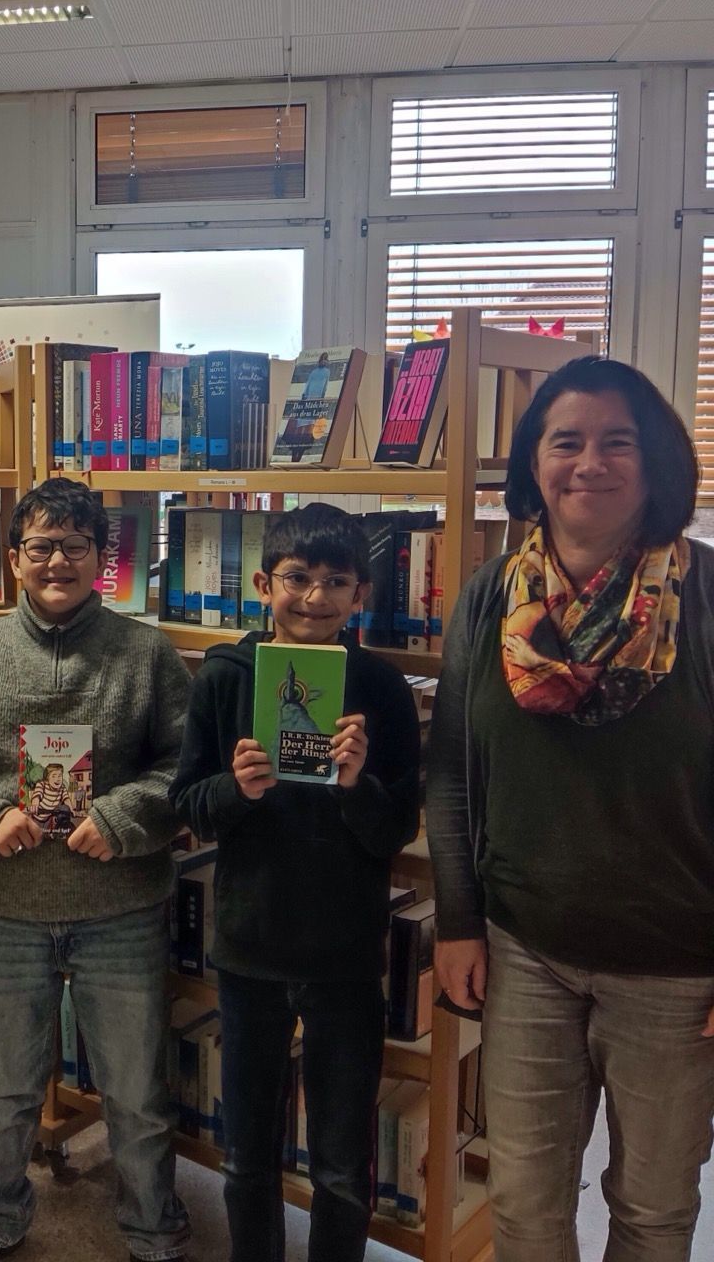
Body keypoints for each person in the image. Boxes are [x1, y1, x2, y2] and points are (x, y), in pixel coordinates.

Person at [427, 355, 714, 1262]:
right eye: (567, 442)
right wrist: (458, 922)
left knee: (654, 1209)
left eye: (617, 441)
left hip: (678, 966)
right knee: (522, 1203)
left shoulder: (708, 597)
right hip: (525, 950)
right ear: (533, 462)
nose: (590, 462)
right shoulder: (489, 598)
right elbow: (451, 775)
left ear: (656, 461)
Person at [0, 476, 193, 1262]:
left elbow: (184, 765)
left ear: (101, 558)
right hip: (4, 910)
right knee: (5, 1091)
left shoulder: (147, 653)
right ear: (14, 559)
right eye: (41, 546)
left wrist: (123, 817)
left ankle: (153, 1230)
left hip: (120, 909)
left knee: (136, 1092)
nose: (58, 561)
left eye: (75, 546)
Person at [170, 503, 420, 1262]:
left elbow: (395, 829)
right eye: (297, 578)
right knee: (247, 1156)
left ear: (362, 594)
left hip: (345, 954)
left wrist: (355, 786)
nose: (315, 597)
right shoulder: (225, 677)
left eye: (336, 582)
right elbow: (188, 806)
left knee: (341, 1166)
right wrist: (236, 790)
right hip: (251, 947)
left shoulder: (382, 688)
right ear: (262, 584)